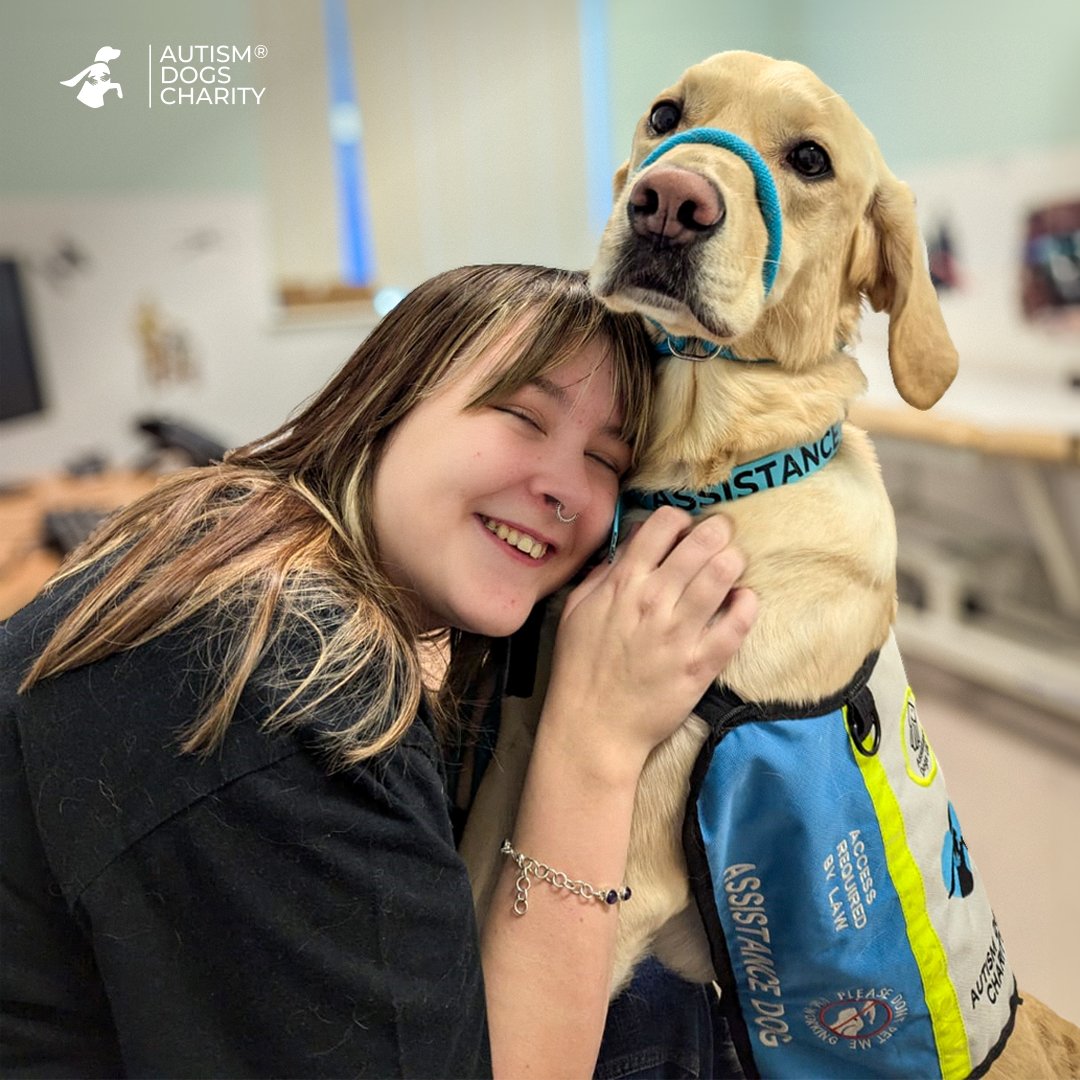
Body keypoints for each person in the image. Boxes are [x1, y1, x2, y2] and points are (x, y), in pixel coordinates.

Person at [1, 264, 757, 1078]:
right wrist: (596, 743)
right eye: (520, 415)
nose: (567, 490)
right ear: (385, 400)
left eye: (607, 461)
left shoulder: (239, 540)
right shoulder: (276, 683)